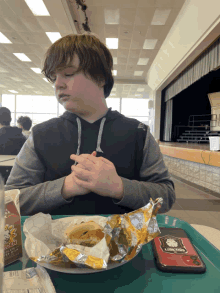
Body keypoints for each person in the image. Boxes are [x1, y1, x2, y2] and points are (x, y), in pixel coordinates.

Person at [5, 33, 176, 216]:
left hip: (123, 243)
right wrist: (65, 187)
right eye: (54, 78)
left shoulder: (138, 134)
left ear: (100, 78)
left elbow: (165, 197)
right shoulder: (40, 135)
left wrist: (119, 187)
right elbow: (10, 200)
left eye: (68, 74)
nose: (58, 84)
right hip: (52, 243)